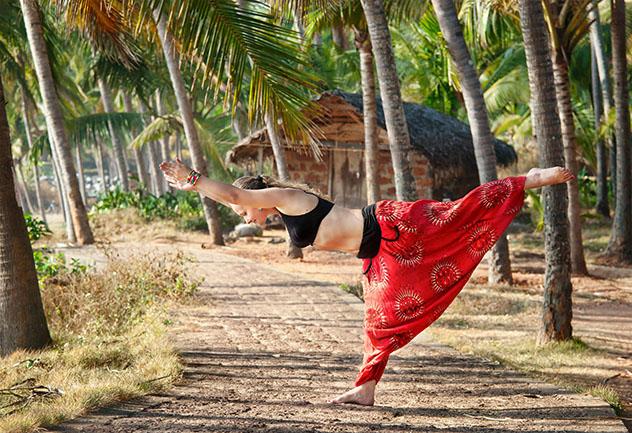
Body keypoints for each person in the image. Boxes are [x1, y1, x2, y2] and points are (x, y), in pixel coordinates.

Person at [159, 159, 574, 406]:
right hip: (377, 253)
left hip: (390, 225)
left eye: (247, 210)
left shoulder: (284, 196)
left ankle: (528, 180)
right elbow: (237, 200)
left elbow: (234, 196)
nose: (245, 217)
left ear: (259, 198)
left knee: (456, 215)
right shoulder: (284, 212)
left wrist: (193, 179)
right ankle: (366, 389)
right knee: (380, 323)